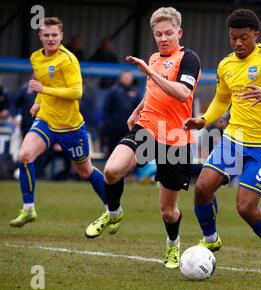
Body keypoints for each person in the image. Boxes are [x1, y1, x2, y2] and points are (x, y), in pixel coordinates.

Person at [184, 9, 261, 274]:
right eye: (234, 37)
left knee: (245, 206)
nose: (238, 43)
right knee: (202, 188)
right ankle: (211, 239)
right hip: (233, 139)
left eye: (244, 37)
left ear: (256, 35)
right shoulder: (226, 64)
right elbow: (222, 99)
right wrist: (203, 120)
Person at [85, 7, 201, 269]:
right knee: (112, 171)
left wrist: (149, 72)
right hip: (148, 128)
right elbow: (153, 92)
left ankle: (173, 246)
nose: (163, 38)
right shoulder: (154, 59)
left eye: (168, 33)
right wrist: (137, 110)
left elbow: (182, 94)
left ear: (179, 33)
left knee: (168, 211)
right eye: (158, 34)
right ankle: (113, 213)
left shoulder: (189, 59)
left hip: (176, 139)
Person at [9, 17, 107, 228]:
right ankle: (28, 209)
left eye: (54, 35)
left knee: (85, 171)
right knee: (24, 156)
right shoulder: (35, 57)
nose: (51, 38)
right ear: (40, 36)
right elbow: (45, 84)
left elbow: (76, 92)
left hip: (70, 126)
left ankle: (112, 208)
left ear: (61, 36)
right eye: (46, 35)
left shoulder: (68, 60)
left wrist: (42, 91)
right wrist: (38, 101)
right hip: (45, 120)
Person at [101, 70, 141, 156]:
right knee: (113, 152)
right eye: (125, 77)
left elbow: (140, 110)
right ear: (121, 78)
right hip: (115, 129)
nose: (127, 79)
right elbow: (107, 109)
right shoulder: (114, 91)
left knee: (128, 153)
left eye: (129, 77)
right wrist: (108, 125)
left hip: (129, 129)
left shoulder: (136, 92)